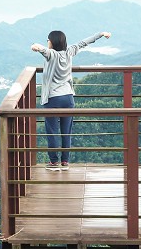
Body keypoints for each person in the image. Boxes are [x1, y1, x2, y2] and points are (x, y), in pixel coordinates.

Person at [31, 30, 112, 170]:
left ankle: (54, 162)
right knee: (66, 132)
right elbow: (85, 42)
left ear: (53, 41)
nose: (47, 42)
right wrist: (101, 34)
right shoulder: (70, 52)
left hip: (53, 99)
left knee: (52, 131)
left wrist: (35, 46)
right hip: (68, 98)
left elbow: (40, 48)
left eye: (48, 40)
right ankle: (65, 162)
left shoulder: (51, 54)